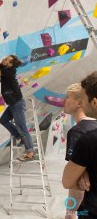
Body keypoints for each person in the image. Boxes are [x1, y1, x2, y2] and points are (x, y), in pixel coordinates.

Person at [0, 44, 34, 161]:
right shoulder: (6, 68)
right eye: (5, 59)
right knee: (3, 120)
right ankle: (19, 137)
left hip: (17, 104)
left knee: (22, 127)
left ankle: (30, 152)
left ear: (10, 65)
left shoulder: (8, 73)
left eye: (7, 60)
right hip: (13, 104)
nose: (4, 60)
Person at [63, 72, 97, 218]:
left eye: (67, 97)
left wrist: (70, 212)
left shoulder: (78, 133)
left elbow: (72, 183)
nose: (64, 101)